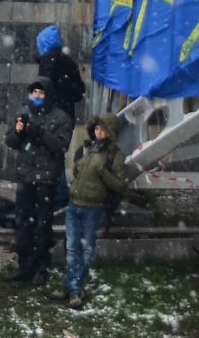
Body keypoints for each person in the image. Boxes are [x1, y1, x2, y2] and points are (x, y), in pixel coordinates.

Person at [59, 113, 134, 311]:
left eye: (102, 129)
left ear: (110, 132)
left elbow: (121, 185)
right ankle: (72, 286)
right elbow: (78, 171)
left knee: (86, 250)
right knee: (72, 248)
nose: (98, 132)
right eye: (97, 128)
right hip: (74, 204)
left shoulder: (115, 155)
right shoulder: (89, 148)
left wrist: (104, 173)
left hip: (93, 208)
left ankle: (74, 289)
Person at [5, 78, 72, 286]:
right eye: (35, 92)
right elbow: (11, 142)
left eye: (41, 93)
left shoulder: (61, 117)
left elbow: (60, 147)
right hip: (26, 175)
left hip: (46, 177)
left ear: (49, 95)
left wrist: (41, 132)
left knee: (44, 224)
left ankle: (42, 266)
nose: (37, 96)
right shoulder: (23, 112)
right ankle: (25, 265)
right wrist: (18, 131)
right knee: (23, 221)